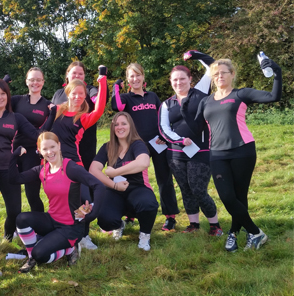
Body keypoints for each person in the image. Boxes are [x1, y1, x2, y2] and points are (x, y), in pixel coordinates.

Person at [181, 57, 282, 251]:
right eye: (216, 74)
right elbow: (196, 129)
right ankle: (255, 232)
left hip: (242, 150)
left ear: (232, 74)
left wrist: (277, 73)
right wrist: (185, 110)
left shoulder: (241, 94)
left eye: (223, 73)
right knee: (227, 196)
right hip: (217, 153)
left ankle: (233, 234)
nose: (219, 76)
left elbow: (273, 97)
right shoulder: (206, 101)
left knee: (239, 196)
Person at [0, 79, 55, 245]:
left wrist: (52, 115)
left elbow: (38, 135)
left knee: (14, 211)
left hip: (8, 168)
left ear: (8, 95)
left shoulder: (16, 118)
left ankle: (7, 237)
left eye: (2, 94)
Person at [9, 132, 105, 273]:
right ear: (40, 152)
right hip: (52, 220)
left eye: (52, 147)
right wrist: (14, 156)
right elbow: (14, 179)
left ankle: (69, 249)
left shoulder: (70, 168)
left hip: (71, 227)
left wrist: (92, 215)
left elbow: (99, 186)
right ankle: (31, 257)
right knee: (21, 219)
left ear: (59, 146)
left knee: (40, 254)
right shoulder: (42, 170)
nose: (49, 152)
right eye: (45, 149)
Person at [158, 51, 222, 236]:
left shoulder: (201, 92)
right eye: (175, 80)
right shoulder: (166, 104)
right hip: (176, 154)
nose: (178, 83)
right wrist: (179, 140)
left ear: (190, 79)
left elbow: (213, 65)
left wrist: (196, 55)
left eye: (182, 79)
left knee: (198, 189)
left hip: (200, 152)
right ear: (171, 82)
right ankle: (194, 225)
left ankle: (215, 225)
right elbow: (163, 129)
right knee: (186, 190)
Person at [111, 63, 180, 231]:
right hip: (135, 145)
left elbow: (161, 118)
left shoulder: (153, 96)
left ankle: (170, 217)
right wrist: (115, 89)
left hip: (157, 143)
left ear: (143, 77)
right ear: (128, 80)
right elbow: (116, 107)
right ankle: (131, 214)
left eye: (138, 75)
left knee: (164, 179)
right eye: (131, 76)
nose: (135, 79)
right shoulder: (126, 98)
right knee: (133, 180)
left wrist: (164, 136)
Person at [51, 65, 107, 250]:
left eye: (81, 94)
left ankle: (83, 235)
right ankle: (64, 235)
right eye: (74, 93)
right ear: (67, 93)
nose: (77, 97)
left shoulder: (82, 117)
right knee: (62, 202)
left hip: (75, 164)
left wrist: (102, 80)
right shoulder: (56, 110)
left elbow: (99, 110)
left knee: (83, 200)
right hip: (55, 165)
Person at [89, 112, 159, 250]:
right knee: (104, 219)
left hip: (137, 188)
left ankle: (144, 236)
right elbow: (93, 170)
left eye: (124, 124)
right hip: (115, 190)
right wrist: (114, 185)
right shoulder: (107, 147)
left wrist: (115, 172)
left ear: (130, 126)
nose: (120, 127)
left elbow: (143, 162)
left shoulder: (137, 144)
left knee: (148, 204)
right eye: (116, 124)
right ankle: (119, 224)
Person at [11, 67, 52, 212]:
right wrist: (0, 78)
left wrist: (52, 114)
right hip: (14, 149)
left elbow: (47, 129)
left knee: (32, 193)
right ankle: (14, 225)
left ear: (43, 82)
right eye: (32, 79)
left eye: (39, 80)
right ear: (26, 82)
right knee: (12, 191)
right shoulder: (17, 100)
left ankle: (39, 225)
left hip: (33, 151)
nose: (35, 83)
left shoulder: (47, 105)